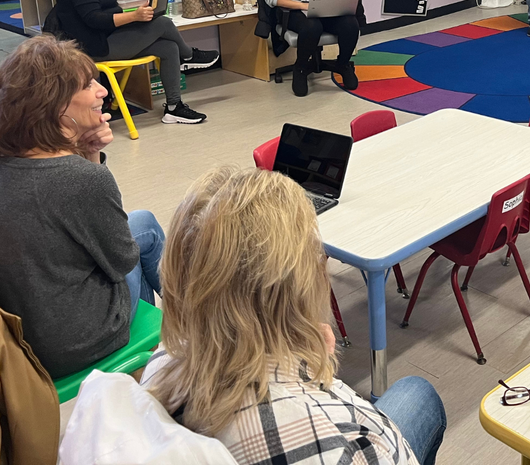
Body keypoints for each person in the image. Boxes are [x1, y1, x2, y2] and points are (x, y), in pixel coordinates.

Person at [142, 166, 446, 465]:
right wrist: (319, 374)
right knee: (418, 392)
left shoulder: (163, 363)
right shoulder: (346, 448)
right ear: (300, 285)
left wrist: (295, 357)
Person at [0, 36, 165, 379]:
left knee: (141, 223)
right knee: (145, 228)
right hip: (78, 342)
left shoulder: (12, 161)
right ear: (57, 105)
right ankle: (201, 328)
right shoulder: (80, 179)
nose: (101, 91)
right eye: (89, 85)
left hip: (23, 346)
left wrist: (86, 153)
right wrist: (92, 164)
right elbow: (121, 258)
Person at [47, 0, 218, 124]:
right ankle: (188, 55)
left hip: (110, 36)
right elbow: (94, 19)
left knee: (169, 47)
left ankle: (174, 108)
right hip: (95, 47)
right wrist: (134, 16)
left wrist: (135, 15)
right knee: (163, 22)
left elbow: (106, 12)